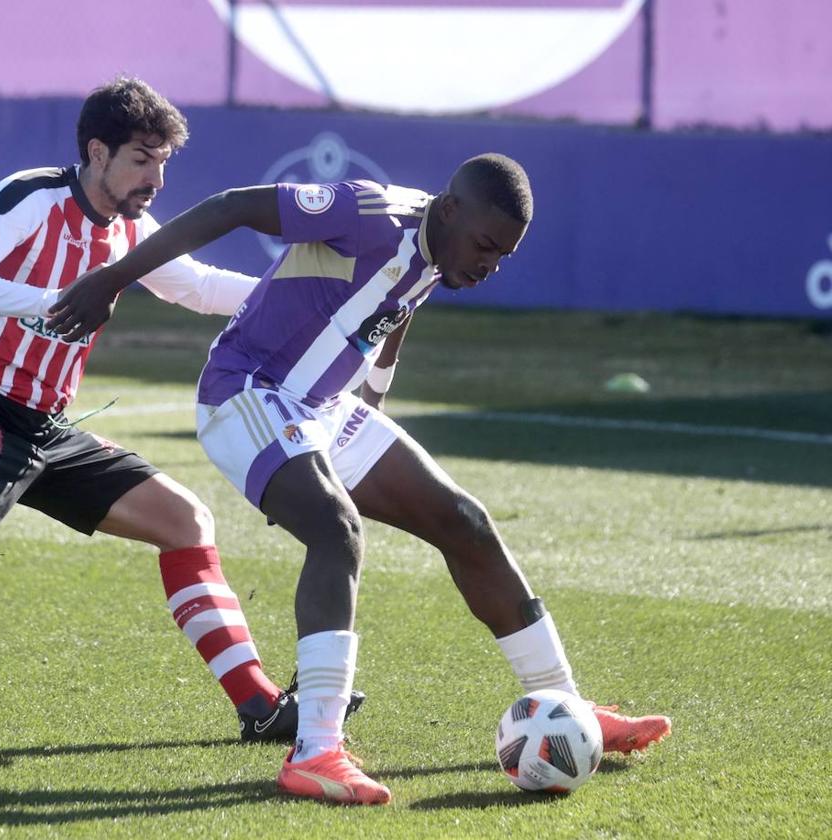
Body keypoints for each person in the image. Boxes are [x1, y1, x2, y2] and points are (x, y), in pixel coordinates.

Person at [46, 153, 673, 805]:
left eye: (503, 256)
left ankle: (564, 705)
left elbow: (397, 303)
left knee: (466, 524)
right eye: (486, 246)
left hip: (322, 406)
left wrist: (372, 397)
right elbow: (233, 205)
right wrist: (111, 279)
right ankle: (316, 750)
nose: (490, 265)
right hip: (247, 393)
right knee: (336, 531)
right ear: (451, 209)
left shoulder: (441, 246)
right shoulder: (367, 212)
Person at [0, 77, 363, 770]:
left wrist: (299, 300)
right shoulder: (32, 195)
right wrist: (60, 299)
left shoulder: (131, 227)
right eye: (142, 159)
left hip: (48, 426)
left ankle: (260, 707)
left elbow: (193, 285)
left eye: (163, 163)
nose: (155, 179)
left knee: (185, 520)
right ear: (96, 151)